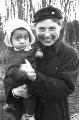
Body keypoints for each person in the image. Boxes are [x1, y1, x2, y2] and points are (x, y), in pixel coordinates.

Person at [4, 6, 79, 120]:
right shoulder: (26, 48)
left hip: (54, 113)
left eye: (52, 28)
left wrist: (34, 77)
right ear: (35, 28)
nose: (47, 35)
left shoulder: (69, 54)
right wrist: (14, 92)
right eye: (42, 29)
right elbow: (8, 78)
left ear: (60, 26)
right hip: (24, 113)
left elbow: (65, 87)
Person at [3, 19, 43, 120]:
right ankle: (29, 115)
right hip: (19, 81)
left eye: (26, 37)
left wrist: (38, 50)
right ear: (11, 41)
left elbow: (35, 46)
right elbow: (11, 72)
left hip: (31, 78)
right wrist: (26, 75)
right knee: (29, 96)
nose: (23, 41)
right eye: (18, 38)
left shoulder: (29, 47)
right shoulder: (12, 55)